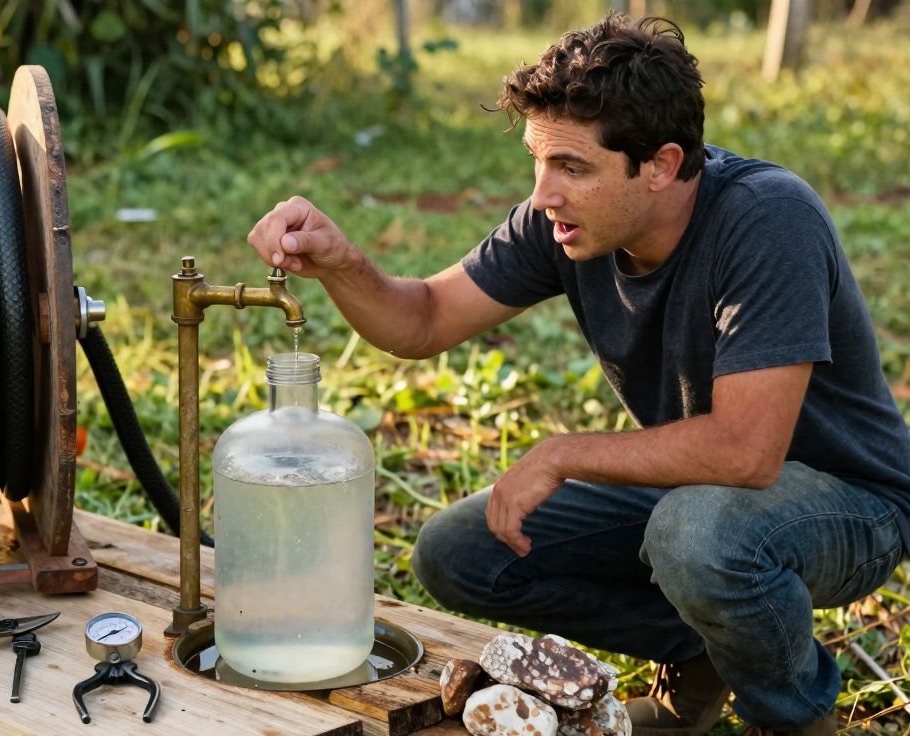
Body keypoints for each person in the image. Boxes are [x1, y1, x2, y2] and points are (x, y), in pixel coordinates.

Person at [245, 12, 910, 736]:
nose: (543, 194)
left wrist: (562, 453)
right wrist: (343, 264)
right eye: (539, 161)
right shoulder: (560, 221)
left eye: (572, 168)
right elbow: (426, 317)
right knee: (463, 552)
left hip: (852, 504)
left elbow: (748, 453)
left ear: (660, 164)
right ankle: (706, 654)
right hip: (703, 495)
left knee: (699, 536)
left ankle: (795, 717)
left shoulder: (768, 219)